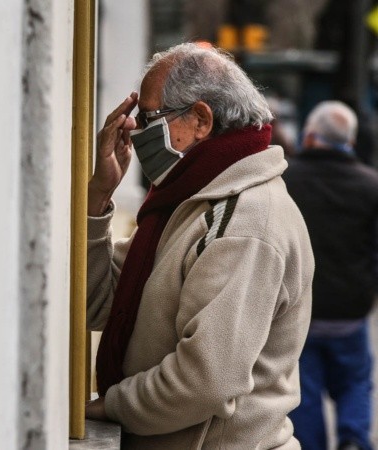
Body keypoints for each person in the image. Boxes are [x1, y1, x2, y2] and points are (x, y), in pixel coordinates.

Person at [83, 43, 314, 449]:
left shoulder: (244, 219)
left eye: (149, 117)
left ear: (202, 119)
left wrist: (112, 405)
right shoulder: (189, 202)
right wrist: (98, 197)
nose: (135, 131)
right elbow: (99, 302)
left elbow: (205, 380)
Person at [283, 101, 378, 450]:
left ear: (309, 137)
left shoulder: (286, 180)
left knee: (304, 391)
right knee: (354, 382)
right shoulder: (372, 186)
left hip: (301, 312)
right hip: (350, 314)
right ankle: (354, 438)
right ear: (350, 142)